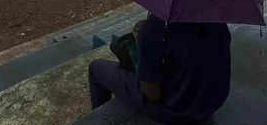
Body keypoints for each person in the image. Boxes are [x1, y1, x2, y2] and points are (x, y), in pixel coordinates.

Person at [88, 14, 231, 125]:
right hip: (212, 103)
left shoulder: (154, 30)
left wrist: (143, 42)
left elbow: (152, 94)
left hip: (177, 113)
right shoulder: (217, 20)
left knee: (95, 68)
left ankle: (98, 119)